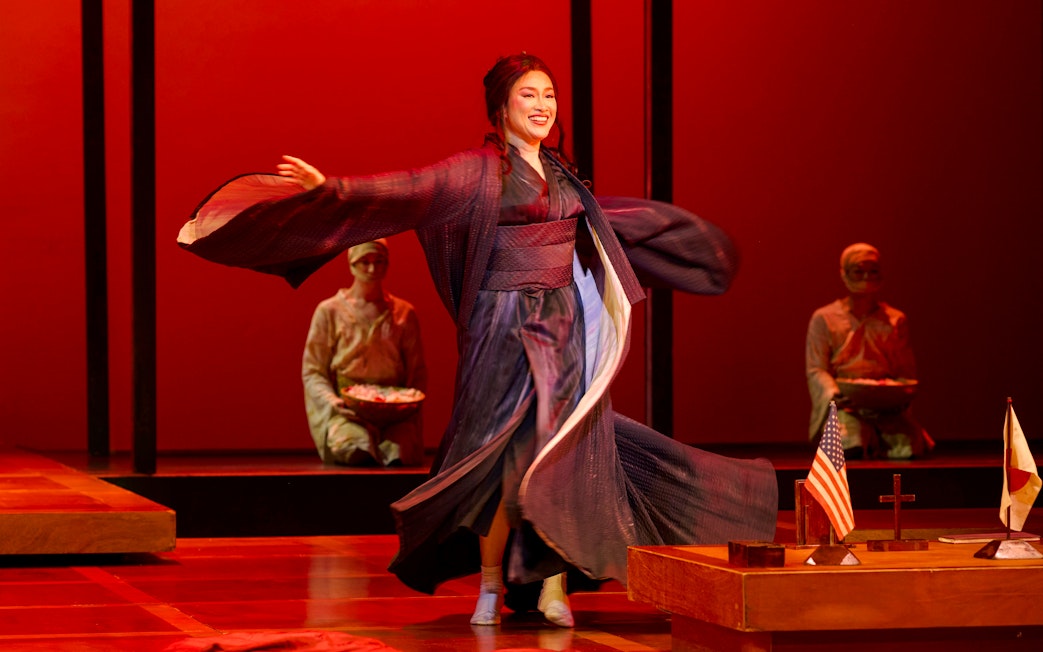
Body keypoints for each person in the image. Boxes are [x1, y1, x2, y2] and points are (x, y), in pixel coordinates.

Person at [178, 53, 778, 628]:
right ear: (501, 107)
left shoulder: (565, 175)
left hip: (561, 327)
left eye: (549, 95)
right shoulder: (476, 172)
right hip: (502, 324)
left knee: (563, 453)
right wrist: (330, 187)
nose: (543, 105)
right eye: (529, 95)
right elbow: (404, 190)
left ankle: (551, 585)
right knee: (498, 460)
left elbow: (599, 241)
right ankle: (491, 580)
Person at [302, 239, 427, 467]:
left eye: (379, 261)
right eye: (364, 262)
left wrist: (407, 405)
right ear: (351, 264)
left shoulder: (403, 313)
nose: (372, 269)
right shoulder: (330, 311)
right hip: (348, 411)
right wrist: (333, 402)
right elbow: (313, 371)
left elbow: (417, 372)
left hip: (394, 413)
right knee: (353, 448)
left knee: (399, 454)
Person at [806, 242, 934, 459]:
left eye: (872, 271)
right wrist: (835, 394)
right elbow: (816, 368)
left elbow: (904, 371)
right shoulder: (825, 318)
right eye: (858, 271)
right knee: (849, 445)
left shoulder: (895, 319)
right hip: (847, 403)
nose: (866, 277)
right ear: (845, 273)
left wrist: (899, 395)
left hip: (885, 405)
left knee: (909, 448)